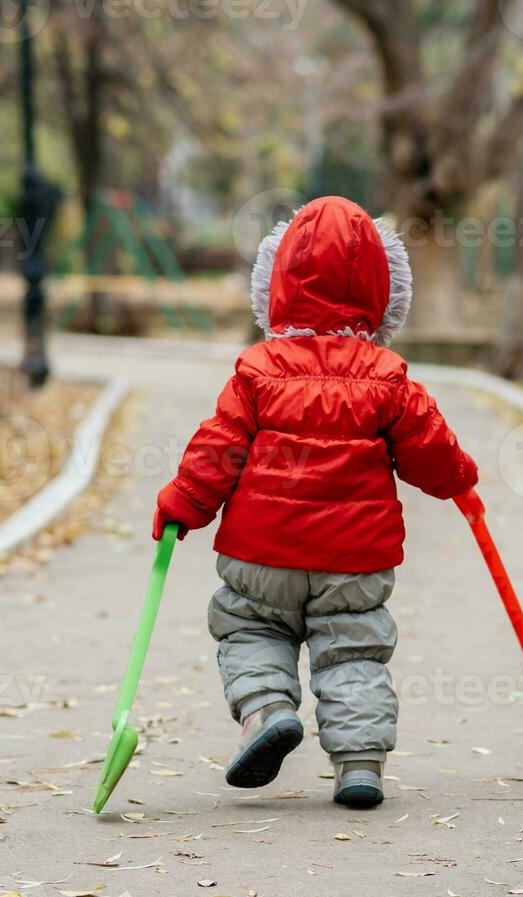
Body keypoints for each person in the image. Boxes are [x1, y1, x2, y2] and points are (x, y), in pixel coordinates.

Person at [152, 196, 479, 808]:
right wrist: (460, 477)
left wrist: (182, 503)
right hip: (353, 560)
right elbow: (430, 454)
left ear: (274, 282)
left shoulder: (257, 370)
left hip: (261, 551)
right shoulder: (388, 376)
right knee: (352, 649)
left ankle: (267, 712)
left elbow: (217, 449)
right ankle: (359, 767)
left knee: (251, 627)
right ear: (386, 290)